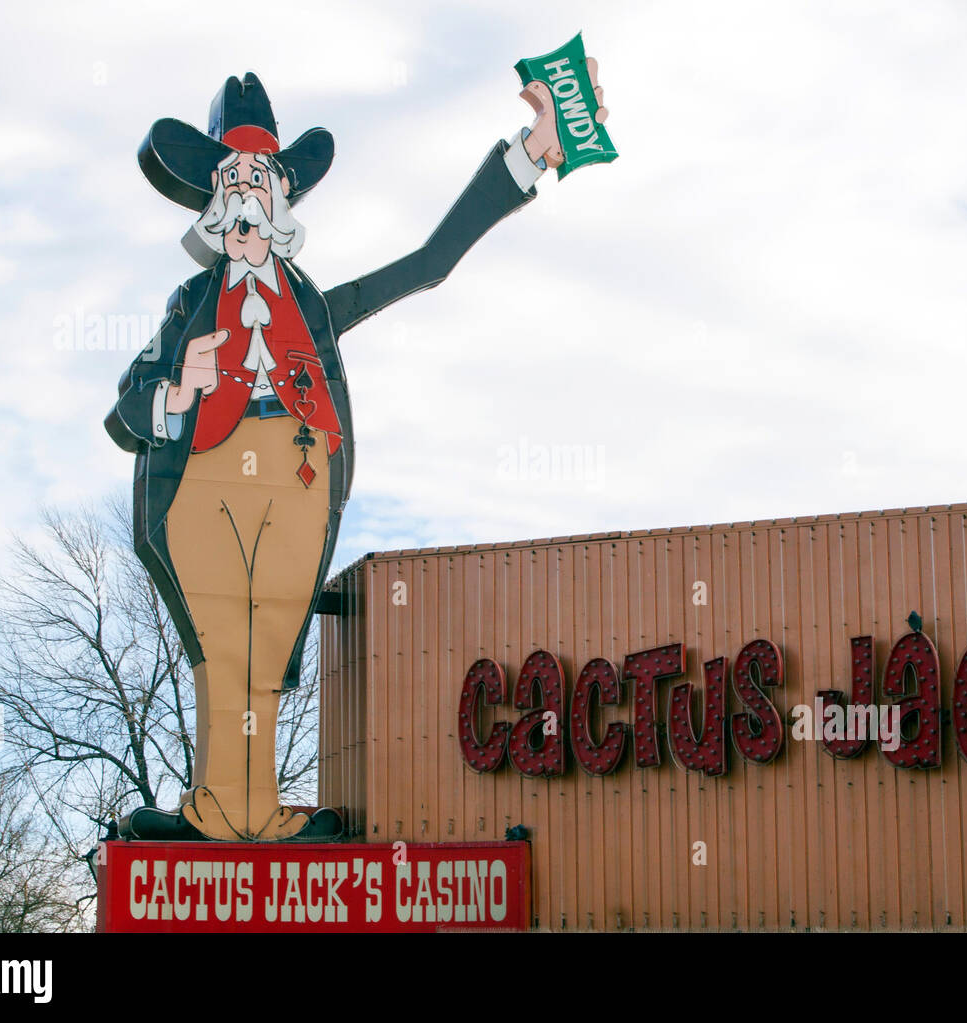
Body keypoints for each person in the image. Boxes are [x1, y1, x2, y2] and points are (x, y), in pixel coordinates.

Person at [105, 68, 606, 840]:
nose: (246, 193)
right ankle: (214, 810)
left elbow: (427, 264)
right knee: (219, 641)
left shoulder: (314, 307)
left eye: (260, 179)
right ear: (213, 202)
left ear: (281, 199)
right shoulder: (188, 306)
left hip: (301, 466)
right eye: (232, 180)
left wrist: (530, 154)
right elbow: (125, 403)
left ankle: (257, 813)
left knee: (268, 640)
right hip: (204, 469)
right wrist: (177, 391)